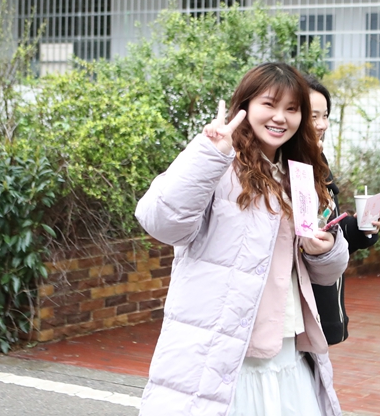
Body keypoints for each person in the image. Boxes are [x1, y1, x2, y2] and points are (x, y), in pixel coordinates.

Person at [135, 63, 349, 416]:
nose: (280, 117)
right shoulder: (218, 163)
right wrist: (209, 154)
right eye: (269, 104)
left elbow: (326, 274)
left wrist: (323, 252)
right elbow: (160, 222)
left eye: (292, 109)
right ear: (245, 105)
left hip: (288, 348)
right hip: (221, 350)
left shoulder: (299, 175)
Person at [305, 75, 380, 344]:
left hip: (325, 300)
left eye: (325, 116)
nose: (322, 125)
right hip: (300, 309)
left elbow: (328, 227)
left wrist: (362, 227)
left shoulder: (318, 160)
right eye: (313, 116)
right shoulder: (290, 168)